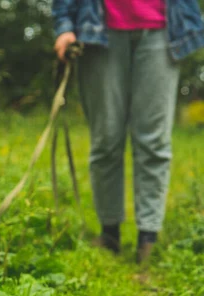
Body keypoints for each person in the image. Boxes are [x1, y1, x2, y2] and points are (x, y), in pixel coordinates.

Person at [52, 0, 204, 263]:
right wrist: (64, 25)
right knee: (105, 139)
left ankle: (148, 238)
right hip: (99, 28)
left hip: (164, 28)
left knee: (154, 141)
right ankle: (109, 234)